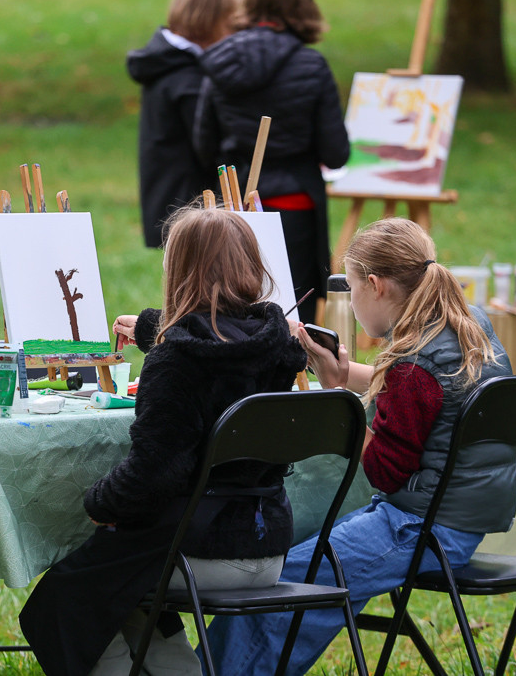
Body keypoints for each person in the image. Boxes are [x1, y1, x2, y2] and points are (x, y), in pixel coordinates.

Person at [205, 217, 516, 675]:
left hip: (423, 526)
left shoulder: (415, 368)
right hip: (457, 518)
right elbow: (430, 394)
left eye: (351, 292)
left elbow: (385, 471)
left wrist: (341, 409)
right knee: (315, 569)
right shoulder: (463, 324)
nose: (350, 305)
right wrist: (340, 377)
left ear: (375, 286)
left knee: (290, 579)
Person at [19, 206, 307, 675]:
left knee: (65, 601)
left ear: (178, 270)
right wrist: (157, 330)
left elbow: (153, 475)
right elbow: (223, 345)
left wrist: (98, 503)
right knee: (124, 592)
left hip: (200, 550)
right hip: (269, 545)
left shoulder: (177, 361)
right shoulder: (281, 350)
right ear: (253, 267)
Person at [193, 0, 350, 325]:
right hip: (293, 204)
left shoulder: (218, 60)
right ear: (303, 5)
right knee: (294, 315)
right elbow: (336, 152)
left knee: (231, 307)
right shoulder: (311, 66)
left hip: (233, 207)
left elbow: (202, 145)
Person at [127, 0, 241, 248]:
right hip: (188, 202)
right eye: (230, 24)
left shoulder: (166, 62)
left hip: (170, 195)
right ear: (211, 22)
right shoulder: (185, 77)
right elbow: (209, 145)